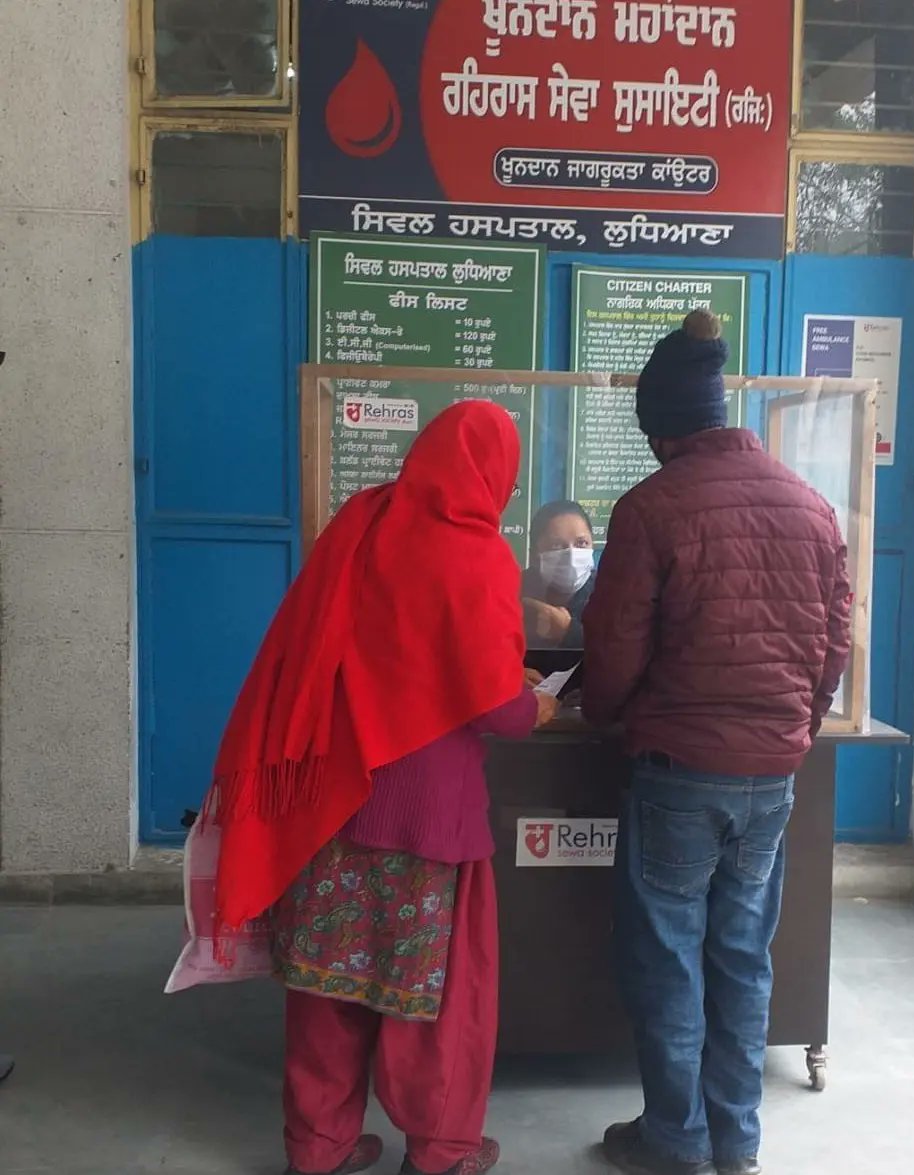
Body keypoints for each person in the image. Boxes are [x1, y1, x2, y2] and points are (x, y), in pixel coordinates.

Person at [206, 401, 558, 1175]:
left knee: (326, 987)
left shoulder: (360, 525)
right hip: (427, 817)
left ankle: (319, 1147)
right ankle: (440, 1151)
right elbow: (498, 710)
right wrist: (535, 701)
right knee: (431, 999)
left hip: (330, 799)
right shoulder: (476, 553)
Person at [581, 309, 852, 1175]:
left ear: (662, 429)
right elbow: (833, 644)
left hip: (679, 770)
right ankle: (735, 1140)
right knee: (741, 956)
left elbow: (614, 648)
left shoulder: (650, 507)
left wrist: (602, 713)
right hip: (771, 774)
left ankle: (675, 1138)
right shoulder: (810, 504)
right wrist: (795, 723)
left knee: (668, 959)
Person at [521, 499, 597, 649]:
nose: (571, 555)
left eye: (581, 543)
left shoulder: (611, 595)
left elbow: (620, 654)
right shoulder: (514, 592)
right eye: (556, 545)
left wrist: (568, 631)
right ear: (534, 555)